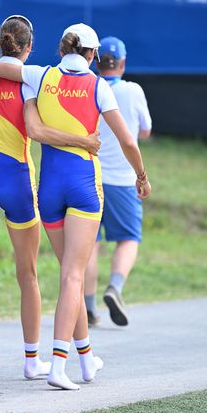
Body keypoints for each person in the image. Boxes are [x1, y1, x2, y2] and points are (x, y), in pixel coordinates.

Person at [0, 23, 151, 390]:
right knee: (72, 276)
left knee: (69, 274)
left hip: (50, 190)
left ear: (60, 50)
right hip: (84, 186)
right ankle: (59, 366)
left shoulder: (40, 76)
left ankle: (86, 358)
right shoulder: (99, 86)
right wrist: (141, 175)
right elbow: (128, 141)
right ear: (92, 55)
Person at [0, 15, 101, 384]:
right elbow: (35, 130)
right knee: (28, 275)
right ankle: (32, 360)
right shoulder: (32, 84)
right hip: (18, 182)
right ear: (29, 47)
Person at [84, 37, 152, 328]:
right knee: (127, 238)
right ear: (123, 64)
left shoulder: (88, 87)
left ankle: (88, 307)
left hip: (89, 176)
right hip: (123, 180)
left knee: (89, 244)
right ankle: (114, 288)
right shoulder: (133, 90)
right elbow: (146, 131)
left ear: (96, 62)